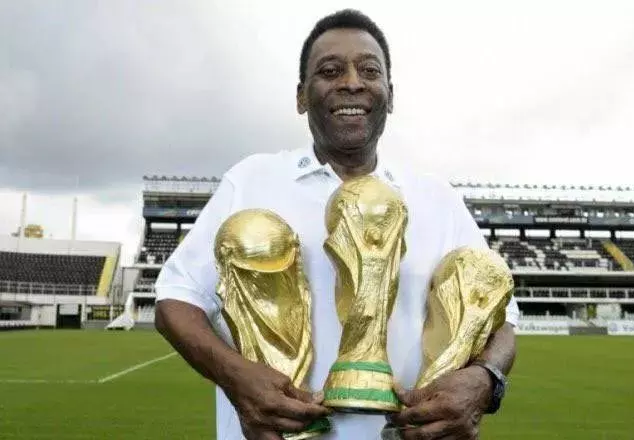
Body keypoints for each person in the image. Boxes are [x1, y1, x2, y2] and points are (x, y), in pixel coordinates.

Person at [155, 9, 519, 440]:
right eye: (330, 71)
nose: (352, 82)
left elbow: (501, 318)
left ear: (390, 95)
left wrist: (486, 378)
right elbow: (176, 301)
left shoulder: (437, 197)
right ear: (301, 97)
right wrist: (237, 377)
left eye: (370, 70)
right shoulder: (252, 179)